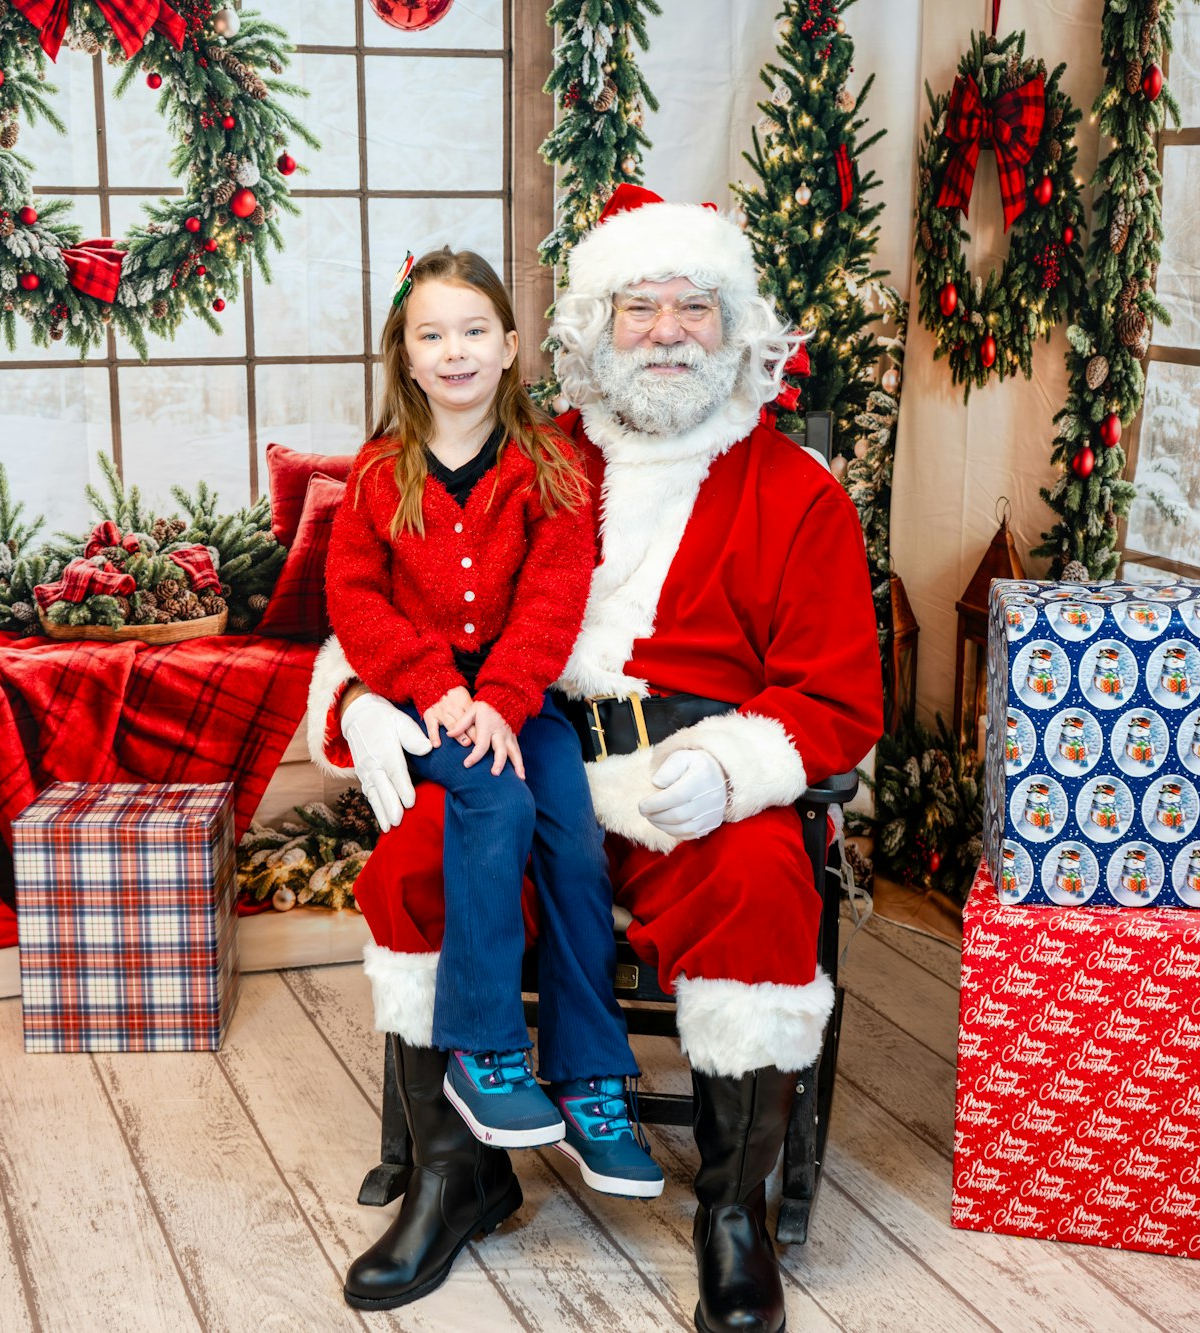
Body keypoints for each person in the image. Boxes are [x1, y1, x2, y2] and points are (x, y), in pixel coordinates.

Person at [313, 189, 883, 1330]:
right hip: (524, 753)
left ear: (736, 332)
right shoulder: (527, 455)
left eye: (694, 307)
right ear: (588, 327)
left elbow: (835, 696)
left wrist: (732, 766)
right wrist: (367, 696)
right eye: (639, 306)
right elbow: (398, 590)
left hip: (692, 787)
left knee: (764, 884)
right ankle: (454, 1173)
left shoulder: (797, 494)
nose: (667, 330)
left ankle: (733, 1209)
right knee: (417, 863)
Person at [325, 247, 663, 1300]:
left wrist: (503, 696)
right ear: (406, 358)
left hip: (524, 701)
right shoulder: (381, 473)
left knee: (565, 828)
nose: (454, 349)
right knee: (494, 798)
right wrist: (433, 689)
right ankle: (483, 1047)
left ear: (511, 347)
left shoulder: (552, 467)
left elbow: (555, 599)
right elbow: (356, 600)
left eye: (474, 329)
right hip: (427, 705)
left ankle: (588, 1067)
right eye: (431, 334)